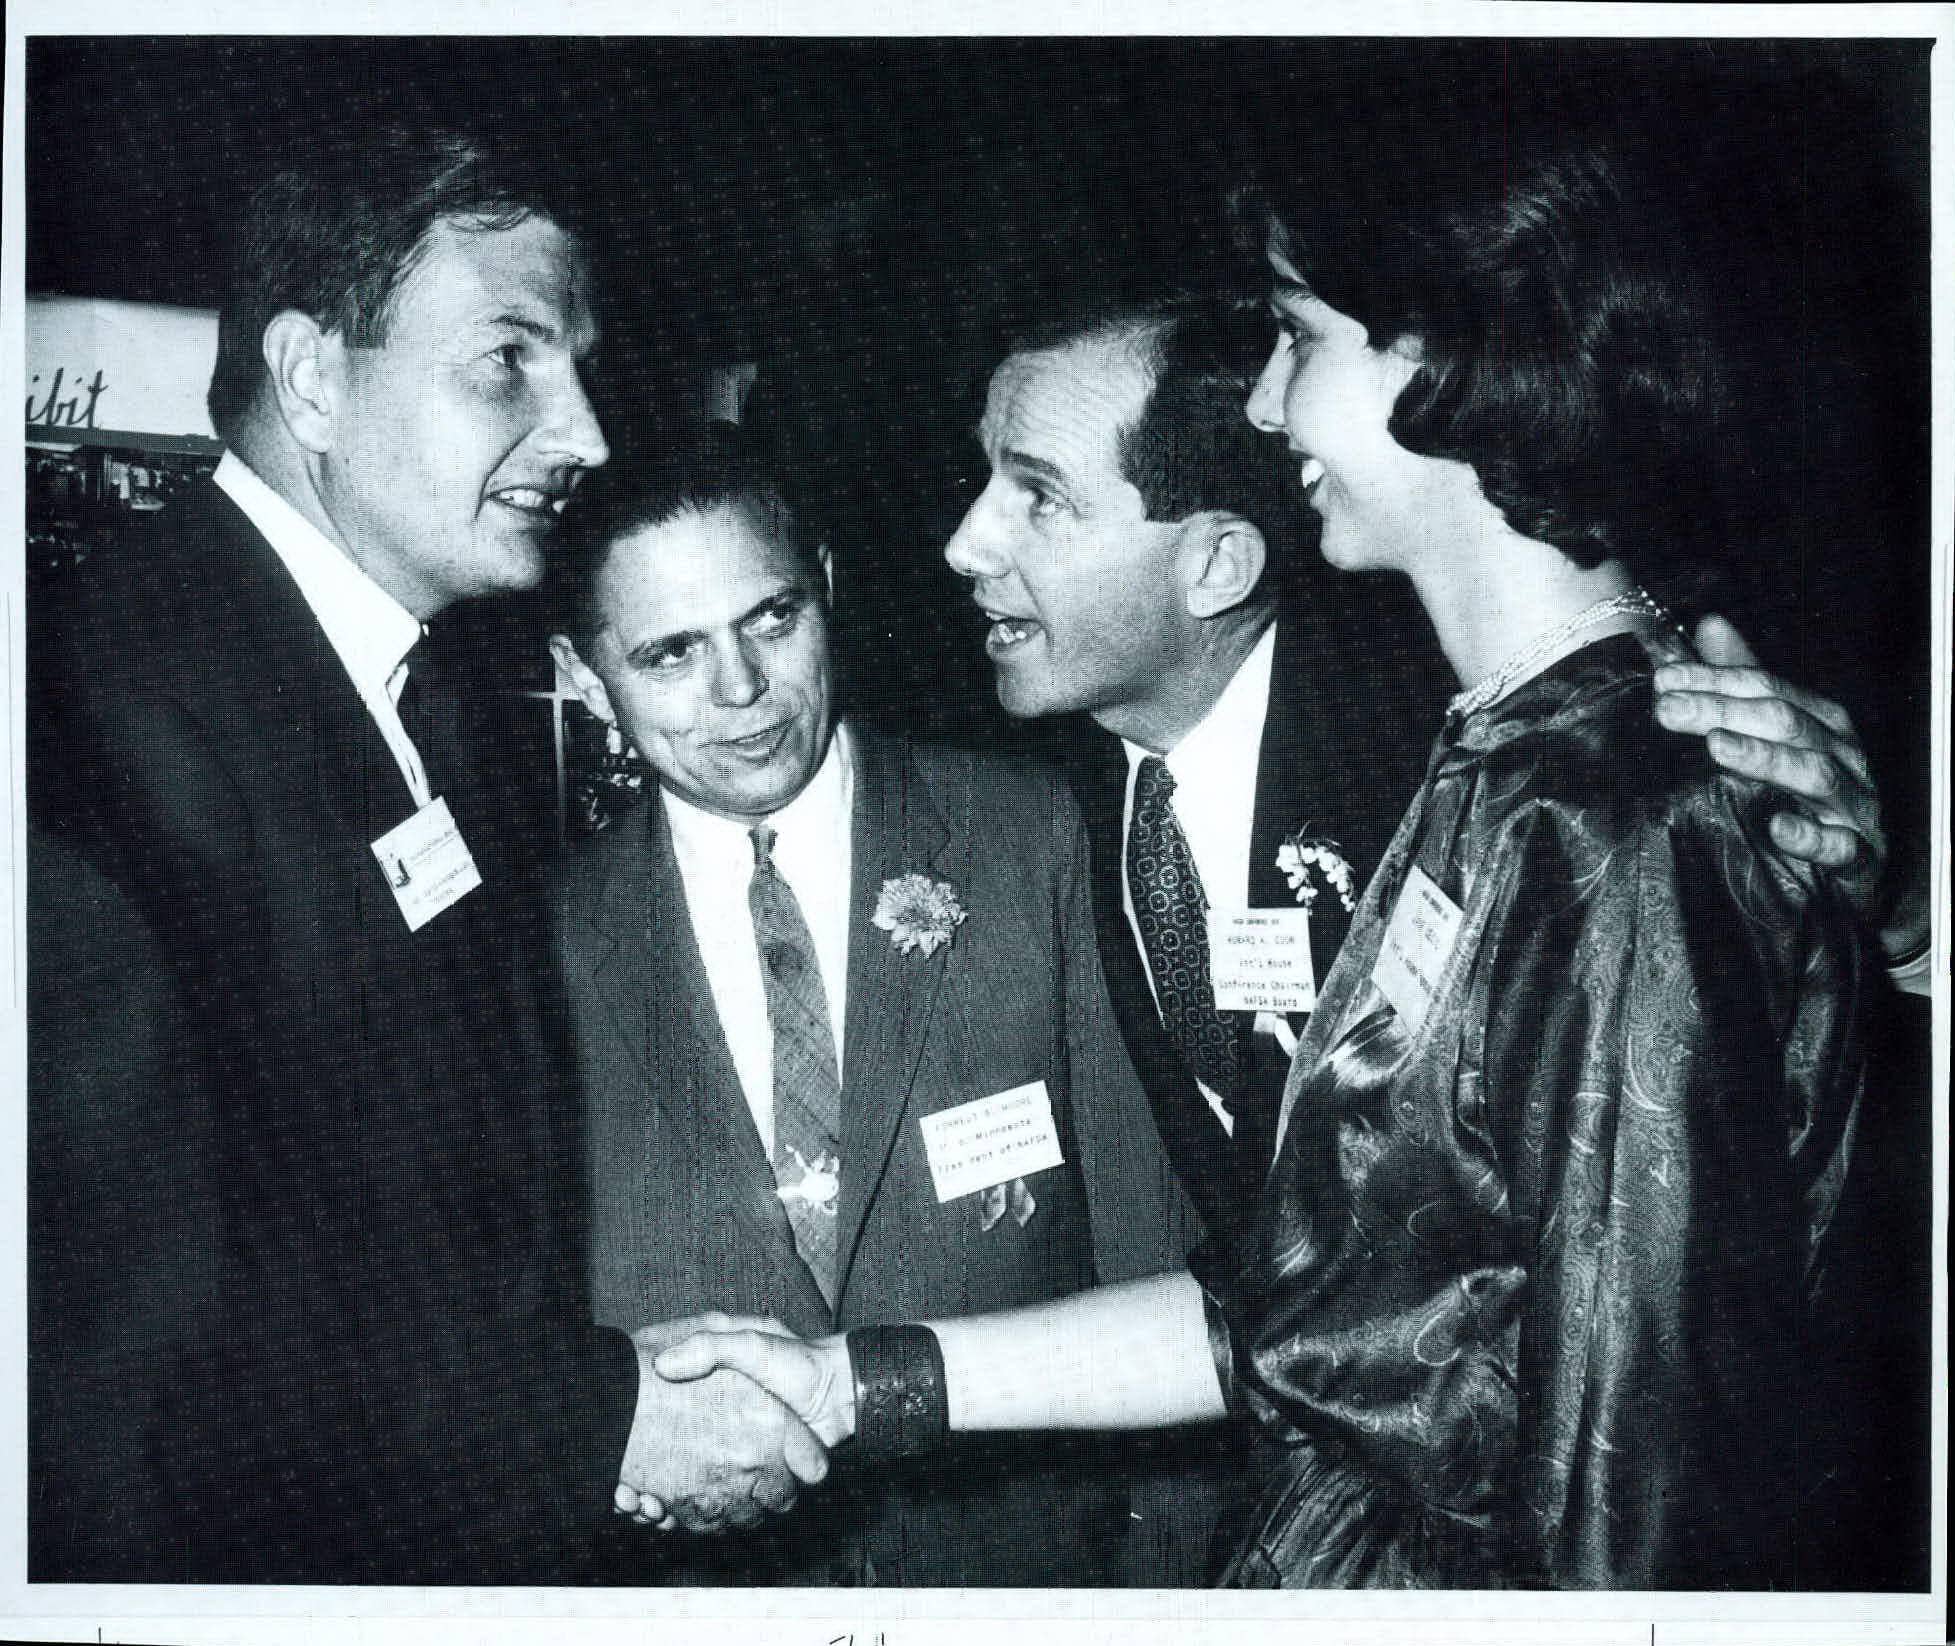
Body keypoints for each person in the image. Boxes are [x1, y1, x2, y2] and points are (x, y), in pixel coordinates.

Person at [648, 138, 1882, 1591]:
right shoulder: (1499, 763)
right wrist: (848, 1379)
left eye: (1300, 336)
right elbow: (1325, 1306)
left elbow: (1635, 1496)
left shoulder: (1611, 826)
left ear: (1450, 363)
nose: (1262, 399)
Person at [28, 127, 680, 1583]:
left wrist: (593, 1389)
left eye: (579, 367)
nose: (586, 435)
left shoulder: (424, 693)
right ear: (312, 378)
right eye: (508, 360)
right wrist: (592, 1424)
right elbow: (131, 1405)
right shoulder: (85, 729)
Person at [942, 295, 1912, 1266]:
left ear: (1218, 564)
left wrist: (1894, 914)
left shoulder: (1489, 754)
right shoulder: (1030, 803)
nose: (963, 544)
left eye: (1038, 495)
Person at [545, 441, 1197, 1586]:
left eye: (771, 617)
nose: (740, 688)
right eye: (671, 651)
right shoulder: (534, 941)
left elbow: (1162, 1260)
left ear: (827, 587)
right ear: (585, 674)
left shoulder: (1030, 835)